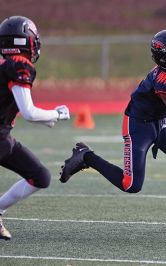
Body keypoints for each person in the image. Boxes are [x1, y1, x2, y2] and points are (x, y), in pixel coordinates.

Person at [60, 29, 166, 233]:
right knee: (131, 185)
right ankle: (87, 157)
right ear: (163, 61)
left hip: (161, 119)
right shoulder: (165, 81)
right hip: (139, 124)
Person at [0, 16, 70, 240]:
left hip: (3, 138)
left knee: (39, 176)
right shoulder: (19, 65)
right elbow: (29, 111)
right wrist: (57, 114)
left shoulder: (6, 65)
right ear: (23, 41)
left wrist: (46, 118)